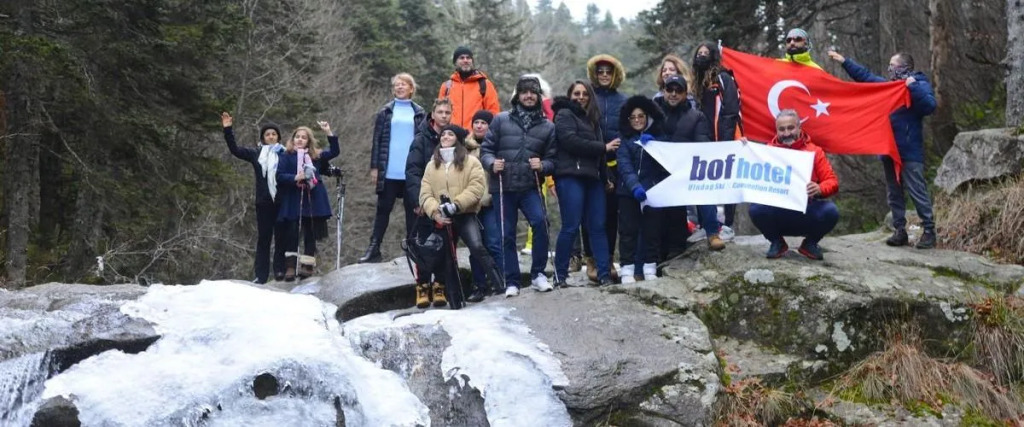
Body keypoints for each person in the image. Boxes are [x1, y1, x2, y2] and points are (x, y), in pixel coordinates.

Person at [827, 50, 938, 249]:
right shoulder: (889, 87)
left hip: (910, 150)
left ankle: (929, 231)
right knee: (894, 193)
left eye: (893, 66)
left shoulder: (918, 83)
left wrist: (911, 86)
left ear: (904, 67)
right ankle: (899, 230)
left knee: (917, 191)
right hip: (888, 149)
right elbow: (866, 77)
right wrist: (844, 61)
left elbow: (929, 105)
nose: (889, 70)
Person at [480, 75, 557, 297]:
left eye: (533, 92)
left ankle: (538, 274)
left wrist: (542, 165)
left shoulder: (548, 127)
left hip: (530, 186)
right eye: (524, 92)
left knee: (540, 224)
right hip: (503, 186)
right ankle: (512, 281)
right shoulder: (500, 120)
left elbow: (553, 160)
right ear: (518, 96)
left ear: (539, 96)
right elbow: (486, 150)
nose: (529, 96)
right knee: (506, 234)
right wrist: (491, 164)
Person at [418, 125, 504, 309]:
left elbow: (477, 187)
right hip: (443, 217)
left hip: (465, 214)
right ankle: (455, 301)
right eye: (443, 134)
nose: (445, 136)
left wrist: (456, 205)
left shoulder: (471, 162)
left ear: (458, 139)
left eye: (450, 134)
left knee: (477, 247)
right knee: (447, 259)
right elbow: (425, 193)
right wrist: (435, 212)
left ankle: (499, 284)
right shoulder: (432, 164)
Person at [748, 110, 839, 260]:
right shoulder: (767, 151)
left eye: (790, 128)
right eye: (782, 129)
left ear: (799, 127)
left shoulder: (815, 151)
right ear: (776, 130)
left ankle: (810, 243)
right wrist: (743, 147)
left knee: (831, 211)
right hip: (778, 211)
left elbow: (832, 181)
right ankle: (777, 242)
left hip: (806, 210)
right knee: (755, 209)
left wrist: (819, 189)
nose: (786, 133)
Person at [552, 80, 615, 287]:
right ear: (570, 96)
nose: (581, 97)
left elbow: (600, 156)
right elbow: (570, 142)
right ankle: (560, 275)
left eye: (585, 94)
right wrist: (603, 147)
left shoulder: (593, 119)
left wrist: (605, 178)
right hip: (570, 175)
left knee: (598, 226)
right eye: (576, 93)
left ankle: (604, 274)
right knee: (571, 226)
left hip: (593, 178)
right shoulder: (564, 114)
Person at [653, 75, 725, 253]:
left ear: (686, 94)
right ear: (663, 91)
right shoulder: (652, 113)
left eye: (678, 90)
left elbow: (703, 144)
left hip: (686, 170)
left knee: (704, 187)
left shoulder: (696, 116)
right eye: (670, 89)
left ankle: (712, 233)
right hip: (658, 171)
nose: (673, 94)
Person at [361, 73, 426, 263]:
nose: (400, 87)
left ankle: (413, 248)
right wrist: (375, 167)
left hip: (411, 171)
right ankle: (374, 249)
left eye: (403, 84)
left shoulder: (419, 112)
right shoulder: (385, 111)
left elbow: (423, 143)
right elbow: (377, 140)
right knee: (383, 210)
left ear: (411, 89)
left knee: (412, 211)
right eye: (397, 85)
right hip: (389, 170)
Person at [220, 113, 287, 284]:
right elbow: (235, 150)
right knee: (264, 239)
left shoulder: (286, 154)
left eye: (274, 134)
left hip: (282, 202)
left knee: (281, 238)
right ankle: (261, 275)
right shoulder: (256, 153)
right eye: (267, 134)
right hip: (263, 202)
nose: (271, 136)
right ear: (263, 138)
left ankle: (280, 271)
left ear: (278, 137)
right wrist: (228, 129)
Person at [276, 121, 340, 279]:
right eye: (297, 137)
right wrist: (295, 177)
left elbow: (335, 151)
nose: (300, 139)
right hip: (294, 196)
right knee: (292, 231)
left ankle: (307, 265)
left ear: (308, 141)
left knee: (310, 232)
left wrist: (328, 131)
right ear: (293, 139)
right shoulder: (286, 156)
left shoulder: (316, 156)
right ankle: (290, 266)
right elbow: (280, 175)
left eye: (303, 138)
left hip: (313, 197)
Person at [585, 54, 628, 280]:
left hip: (615, 164)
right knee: (590, 214)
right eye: (600, 71)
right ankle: (591, 260)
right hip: (591, 161)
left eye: (608, 72)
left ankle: (608, 259)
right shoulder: (587, 96)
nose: (603, 75)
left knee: (611, 214)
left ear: (615, 74)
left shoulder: (623, 101)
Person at [693, 42, 742, 236]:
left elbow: (731, 110)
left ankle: (727, 224)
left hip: (722, 140)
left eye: (706, 53)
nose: (702, 56)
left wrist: (726, 140)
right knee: (702, 182)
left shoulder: (723, 77)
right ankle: (705, 225)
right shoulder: (695, 82)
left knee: (727, 182)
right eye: (699, 53)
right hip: (701, 141)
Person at [616, 95, 666, 283]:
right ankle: (627, 269)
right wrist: (635, 187)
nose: (637, 120)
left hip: (653, 192)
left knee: (652, 231)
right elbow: (624, 166)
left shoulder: (658, 139)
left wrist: (654, 147)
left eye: (641, 116)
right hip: (628, 192)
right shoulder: (623, 140)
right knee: (628, 231)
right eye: (633, 117)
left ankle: (650, 266)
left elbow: (664, 166)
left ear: (648, 117)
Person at [406, 99, 454, 289]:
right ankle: (423, 285)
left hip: (447, 202)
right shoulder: (420, 139)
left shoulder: (454, 138)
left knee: (444, 244)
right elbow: (412, 172)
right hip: (424, 201)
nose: (444, 116)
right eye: (440, 112)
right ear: (433, 114)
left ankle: (440, 284)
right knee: (424, 243)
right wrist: (418, 201)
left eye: (447, 112)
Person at [465, 110, 506, 301]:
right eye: (476, 122)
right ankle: (479, 285)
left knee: (494, 243)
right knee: (475, 247)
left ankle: (500, 281)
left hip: (490, 202)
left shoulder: (497, 146)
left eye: (484, 123)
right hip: (470, 205)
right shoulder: (464, 148)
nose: (479, 126)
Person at [438, 46, 500, 129]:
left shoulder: (484, 84)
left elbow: (493, 112)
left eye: (468, 58)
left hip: (476, 135)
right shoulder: (447, 86)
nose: (465, 60)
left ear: (472, 61)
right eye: (462, 58)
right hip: (452, 134)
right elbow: (440, 114)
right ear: (455, 62)